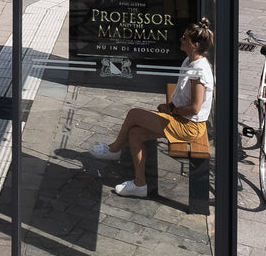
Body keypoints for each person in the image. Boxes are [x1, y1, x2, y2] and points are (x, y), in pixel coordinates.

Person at [89, 20, 215, 197]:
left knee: (134, 114)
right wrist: (170, 106)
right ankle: (140, 184)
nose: (181, 39)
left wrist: (172, 111)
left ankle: (114, 149)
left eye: (185, 37)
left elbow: (195, 108)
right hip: (180, 119)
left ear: (194, 44)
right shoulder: (190, 60)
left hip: (189, 126)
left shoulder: (199, 71)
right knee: (134, 134)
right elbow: (184, 96)